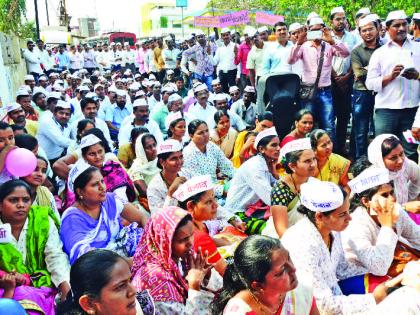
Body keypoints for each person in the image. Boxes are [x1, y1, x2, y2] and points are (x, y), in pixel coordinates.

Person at [281, 179, 393, 314]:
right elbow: (323, 305)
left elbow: (342, 268)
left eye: (347, 211)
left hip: (333, 294)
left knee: (389, 286)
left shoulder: (332, 229)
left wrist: (386, 283)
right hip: (310, 307)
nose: (349, 218)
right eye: (342, 214)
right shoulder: (303, 243)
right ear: (320, 216)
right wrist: (374, 298)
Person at [131, 206, 222, 314]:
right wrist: (194, 286)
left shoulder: (183, 257)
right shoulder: (156, 279)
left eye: (192, 235)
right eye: (183, 240)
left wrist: (207, 274)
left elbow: (220, 285)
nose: (190, 243)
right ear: (165, 242)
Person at [0, 180, 71, 313]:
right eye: (14, 200)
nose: (21, 205)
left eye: (26, 200)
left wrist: (65, 287)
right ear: (0, 205)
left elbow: (55, 256)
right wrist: (6, 278)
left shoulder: (42, 220)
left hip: (42, 286)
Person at [341, 161, 420, 277]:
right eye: (384, 195)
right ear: (366, 201)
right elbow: (379, 268)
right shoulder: (355, 225)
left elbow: (417, 236)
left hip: (387, 261)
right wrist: (387, 227)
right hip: (361, 274)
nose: (392, 199)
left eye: (392, 192)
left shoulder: (395, 209)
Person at [60, 165, 147, 264]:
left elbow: (141, 217)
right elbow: (85, 257)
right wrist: (127, 262)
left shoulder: (109, 200)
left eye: (102, 181)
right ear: (80, 191)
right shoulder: (72, 219)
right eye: (95, 184)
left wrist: (152, 241)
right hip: (99, 267)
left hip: (123, 256)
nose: (102, 187)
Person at [212, 235, 319, 315]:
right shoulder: (240, 311)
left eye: (289, 258)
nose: (293, 269)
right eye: (282, 271)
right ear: (258, 285)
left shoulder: (301, 292)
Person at [366, 10, 419, 162]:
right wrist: (390, 77)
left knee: (410, 151)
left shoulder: (417, 49)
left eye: (404, 24)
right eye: (397, 25)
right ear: (388, 28)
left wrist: (417, 76)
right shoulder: (380, 53)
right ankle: (386, 185)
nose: (402, 28)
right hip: (386, 111)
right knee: (384, 150)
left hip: (411, 111)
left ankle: (409, 185)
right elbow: (370, 84)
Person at [288, 16, 350, 144]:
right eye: (313, 30)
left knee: (329, 125)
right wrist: (298, 43)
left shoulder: (329, 45)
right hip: (308, 91)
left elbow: (345, 53)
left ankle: (330, 155)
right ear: (308, 30)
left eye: (319, 29)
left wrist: (332, 41)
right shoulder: (304, 46)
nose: (316, 32)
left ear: (324, 29)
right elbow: (291, 60)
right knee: (306, 126)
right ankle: (308, 153)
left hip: (325, 91)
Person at [57, 249, 154, 315]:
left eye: (129, 280)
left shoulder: (141, 306)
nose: (133, 291)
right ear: (89, 304)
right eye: (120, 286)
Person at [225, 127, 280, 234]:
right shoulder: (255, 166)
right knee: (274, 230)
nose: (278, 148)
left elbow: (277, 187)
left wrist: (273, 171)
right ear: (261, 149)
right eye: (274, 145)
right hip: (239, 214)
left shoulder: (264, 163)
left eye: (278, 144)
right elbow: (271, 198)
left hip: (255, 209)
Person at [263, 138, 317, 238]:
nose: (313, 164)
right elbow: (282, 231)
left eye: (314, 159)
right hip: (280, 241)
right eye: (307, 161)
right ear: (292, 166)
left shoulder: (314, 183)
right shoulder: (281, 190)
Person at [351, 15, 382, 159]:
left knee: (379, 130)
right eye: (364, 30)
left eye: (370, 29)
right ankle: (360, 163)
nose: (367, 33)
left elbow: (388, 70)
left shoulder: (385, 48)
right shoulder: (356, 51)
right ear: (360, 32)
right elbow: (359, 73)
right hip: (362, 94)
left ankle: (378, 161)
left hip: (382, 93)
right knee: (360, 131)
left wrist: (369, 68)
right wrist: (377, 69)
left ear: (378, 29)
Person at [329, 7, 358, 156]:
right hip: (329, 83)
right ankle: (330, 149)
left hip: (347, 81)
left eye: (343, 18)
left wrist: (348, 75)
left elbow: (356, 58)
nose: (341, 22)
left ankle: (340, 149)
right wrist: (335, 76)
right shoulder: (325, 37)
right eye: (338, 19)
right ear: (331, 21)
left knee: (344, 117)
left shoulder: (353, 37)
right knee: (328, 118)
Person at [367, 134, 420, 212]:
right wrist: (404, 208)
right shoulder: (372, 178)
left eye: (401, 154)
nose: (400, 160)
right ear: (380, 159)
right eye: (393, 158)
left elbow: (418, 179)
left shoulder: (407, 165)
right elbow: (374, 211)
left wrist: (410, 198)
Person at [183, 120, 234, 198]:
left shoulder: (211, 146)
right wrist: (223, 191)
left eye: (207, 131)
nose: (205, 135)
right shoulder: (188, 153)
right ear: (191, 135)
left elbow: (227, 166)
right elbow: (198, 184)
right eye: (200, 133)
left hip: (217, 187)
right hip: (200, 194)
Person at [147, 139, 188, 214]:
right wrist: (170, 193)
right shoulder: (154, 187)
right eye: (174, 158)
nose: (179, 162)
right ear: (162, 162)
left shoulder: (186, 174)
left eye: (181, 157)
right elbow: (158, 217)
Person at [37, 100, 73, 165]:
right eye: (61, 113)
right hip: (42, 160)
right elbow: (60, 141)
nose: (64, 116)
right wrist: (81, 143)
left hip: (58, 158)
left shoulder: (68, 126)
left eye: (67, 114)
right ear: (54, 113)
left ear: (70, 116)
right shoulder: (47, 122)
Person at [128, 133, 159, 204]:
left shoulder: (158, 161)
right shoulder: (136, 169)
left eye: (154, 145)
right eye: (148, 147)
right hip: (146, 202)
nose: (154, 149)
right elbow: (146, 193)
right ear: (141, 150)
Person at [214, 28, 239, 93]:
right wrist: (209, 55)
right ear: (221, 37)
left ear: (230, 35)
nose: (225, 37)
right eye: (224, 35)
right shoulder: (219, 48)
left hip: (233, 73)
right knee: (224, 92)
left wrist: (238, 75)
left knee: (234, 92)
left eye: (227, 35)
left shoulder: (236, 46)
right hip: (222, 74)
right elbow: (215, 62)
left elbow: (239, 62)